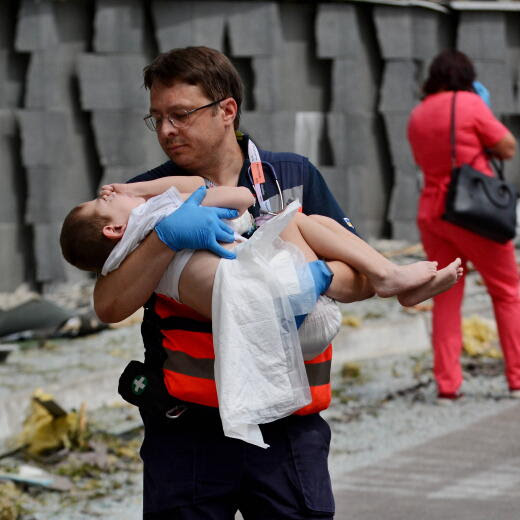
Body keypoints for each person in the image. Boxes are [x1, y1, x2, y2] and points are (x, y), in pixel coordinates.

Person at [90, 45, 379, 519]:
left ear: (227, 110)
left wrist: (313, 278)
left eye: (180, 115)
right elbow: (108, 303)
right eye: (157, 118)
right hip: (187, 428)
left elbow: (363, 276)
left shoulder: (292, 176)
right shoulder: (145, 197)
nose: (166, 130)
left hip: (286, 426)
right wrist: (163, 237)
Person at [407, 49, 520, 400]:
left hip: (433, 212)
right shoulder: (470, 105)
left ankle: (448, 384)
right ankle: (517, 377)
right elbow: (507, 147)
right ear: (467, 77)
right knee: (507, 291)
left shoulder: (418, 114)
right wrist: (482, 110)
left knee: (445, 296)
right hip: (474, 213)